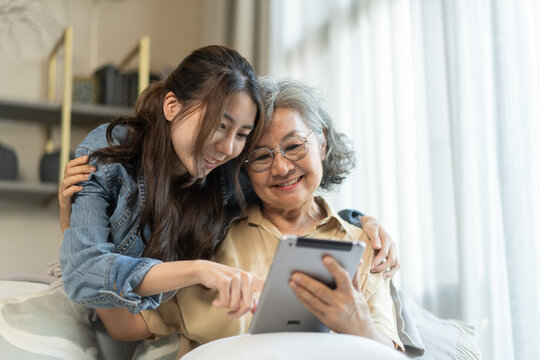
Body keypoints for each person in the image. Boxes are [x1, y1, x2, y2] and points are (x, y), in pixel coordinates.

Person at [64, 77, 404, 358]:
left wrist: (358, 325)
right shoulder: (205, 235)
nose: (281, 167)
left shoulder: (364, 244)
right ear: (240, 168)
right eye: (260, 156)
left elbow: (388, 353)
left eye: (294, 146)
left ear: (323, 144)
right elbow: (125, 326)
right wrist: (72, 225)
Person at [59, 45, 268, 319]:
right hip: (106, 314)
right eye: (219, 125)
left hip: (156, 324)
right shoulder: (111, 151)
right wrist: (198, 270)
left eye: (242, 134)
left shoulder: (229, 176)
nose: (228, 148)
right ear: (172, 106)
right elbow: (82, 273)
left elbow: (290, 188)